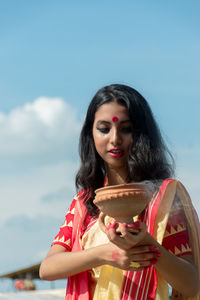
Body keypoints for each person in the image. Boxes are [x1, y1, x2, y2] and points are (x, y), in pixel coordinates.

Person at [39, 84, 200, 300]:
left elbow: (191, 285)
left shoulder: (162, 198)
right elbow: (48, 268)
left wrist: (147, 245)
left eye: (126, 129)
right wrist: (106, 254)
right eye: (104, 129)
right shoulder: (85, 202)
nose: (114, 139)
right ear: (91, 134)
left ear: (142, 133)